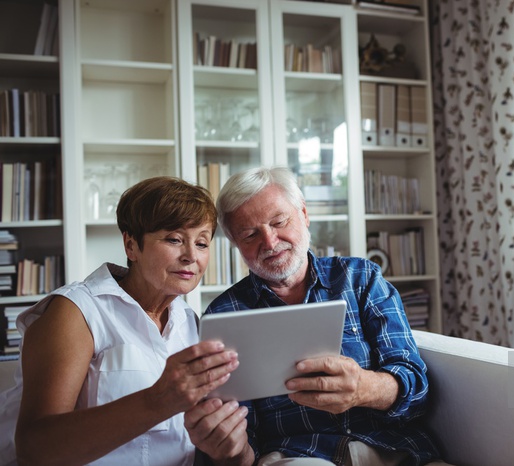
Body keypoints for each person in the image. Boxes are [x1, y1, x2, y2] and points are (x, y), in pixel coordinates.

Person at [185, 167, 448, 466]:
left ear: (304, 215)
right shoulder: (224, 315)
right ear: (235, 244)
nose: (270, 242)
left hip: (397, 451)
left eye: (279, 222)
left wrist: (365, 387)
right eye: (250, 234)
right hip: (300, 456)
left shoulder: (361, 278)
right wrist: (231, 451)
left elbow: (417, 389)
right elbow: (246, 449)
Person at [0, 177, 248, 466]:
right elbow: (34, 450)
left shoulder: (191, 323)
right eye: (174, 239)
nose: (191, 256)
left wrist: (228, 447)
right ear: (131, 246)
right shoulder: (75, 312)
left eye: (202, 243)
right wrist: (156, 401)